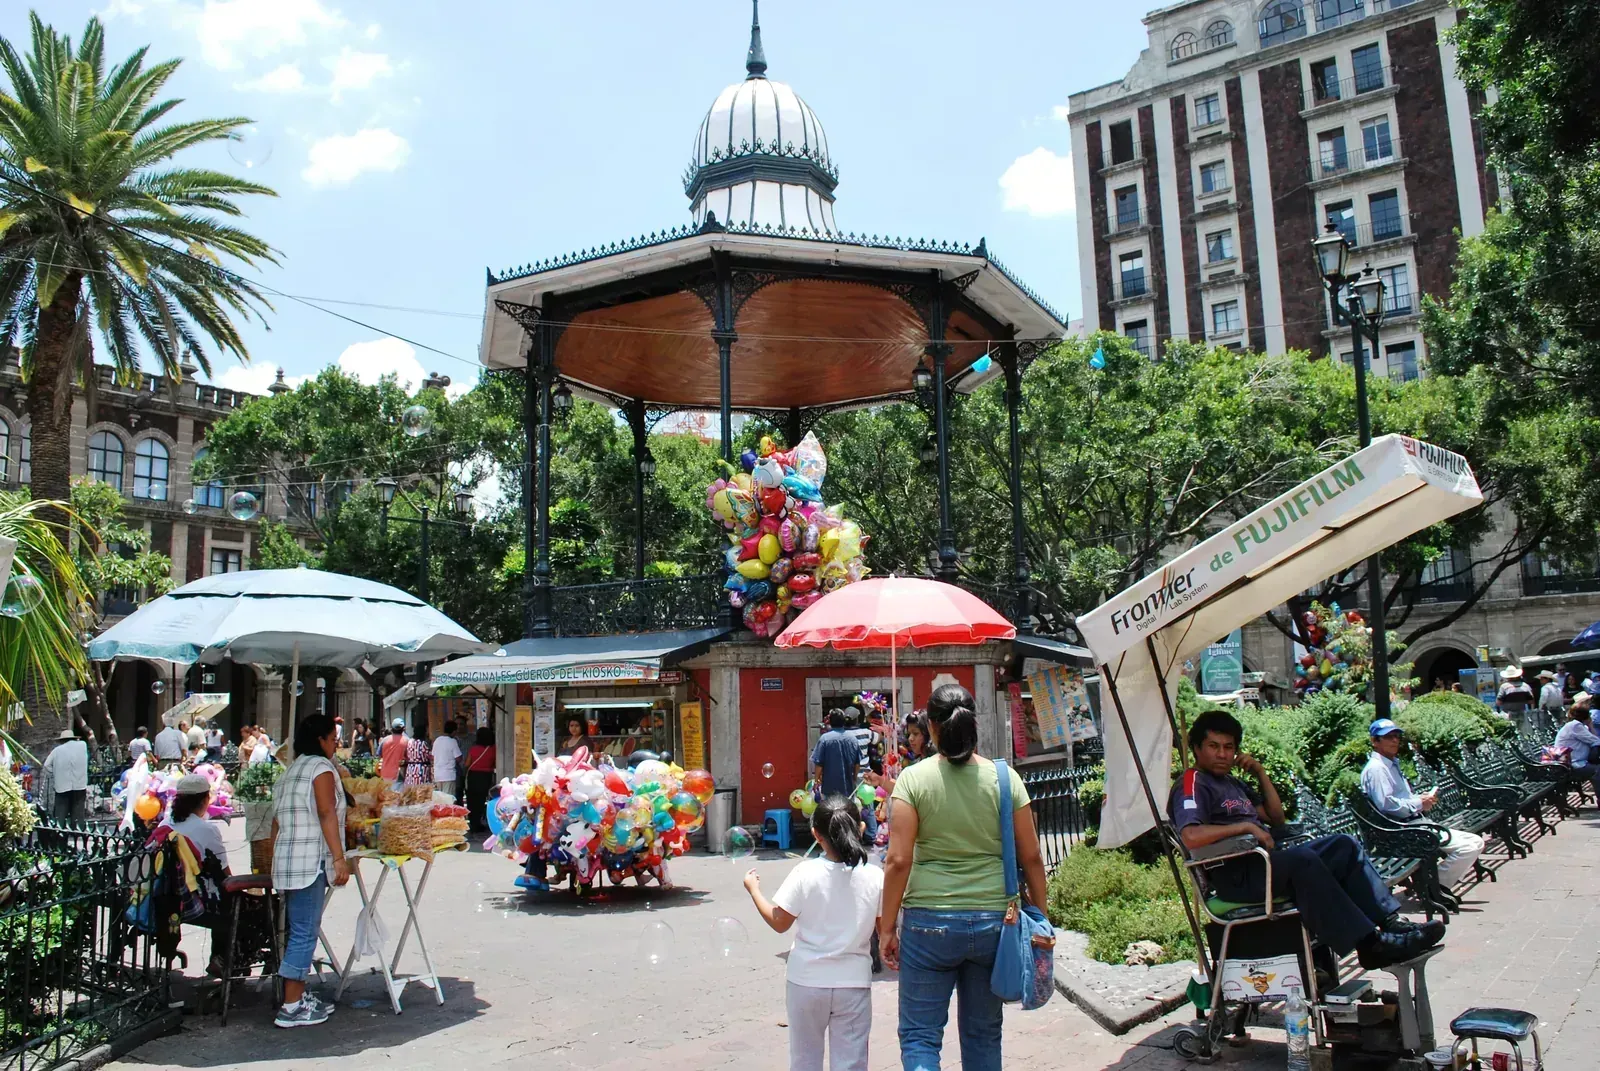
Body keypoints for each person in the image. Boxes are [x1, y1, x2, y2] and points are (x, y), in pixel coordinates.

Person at [1172, 710, 1443, 970]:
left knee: (1342, 846)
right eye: (1213, 746)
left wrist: (1260, 773)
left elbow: (1276, 818)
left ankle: (1390, 922)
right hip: (1236, 874)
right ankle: (1370, 944)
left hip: (1264, 865)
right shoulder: (1192, 782)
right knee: (1304, 860)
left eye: (1229, 747)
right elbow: (1191, 836)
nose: (1222, 754)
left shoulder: (1231, 783)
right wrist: (1245, 826)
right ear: (1196, 748)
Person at [879, 684, 1049, 1071]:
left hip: (928, 924)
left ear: (932, 728)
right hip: (995, 923)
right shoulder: (1005, 780)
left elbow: (898, 859)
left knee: (921, 1037)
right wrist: (1041, 915)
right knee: (983, 1036)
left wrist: (887, 928)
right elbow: (1033, 857)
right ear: (973, 723)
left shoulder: (913, 780)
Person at [744, 794, 882, 1071]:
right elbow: (884, 928)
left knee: (805, 1061)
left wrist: (754, 890)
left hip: (806, 981)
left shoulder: (805, 872)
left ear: (815, 833)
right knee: (851, 1063)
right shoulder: (875, 875)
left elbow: (780, 921)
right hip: (853, 983)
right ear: (860, 828)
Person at [270, 713, 350, 1028]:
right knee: (304, 931)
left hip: (287, 861)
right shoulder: (320, 769)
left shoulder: (290, 772)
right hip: (308, 861)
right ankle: (291, 1006)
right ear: (321, 740)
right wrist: (339, 857)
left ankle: (298, 997)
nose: (336, 745)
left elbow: (276, 822)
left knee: (299, 929)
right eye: (333, 739)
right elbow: (326, 811)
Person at [1359, 719, 1484, 888]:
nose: (1395, 740)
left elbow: (1396, 799)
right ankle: (1434, 886)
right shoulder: (1377, 769)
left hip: (1415, 824)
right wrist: (1418, 803)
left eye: (1396, 736)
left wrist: (1420, 798)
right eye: (1388, 737)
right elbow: (1387, 805)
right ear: (1375, 741)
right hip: (1405, 830)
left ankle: (1435, 883)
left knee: (1476, 841)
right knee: (1467, 848)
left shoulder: (1390, 764)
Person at [812, 709, 862, 802]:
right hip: (848, 788)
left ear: (830, 721)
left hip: (829, 788)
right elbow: (857, 763)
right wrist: (854, 778)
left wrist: (816, 780)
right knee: (847, 814)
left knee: (830, 814)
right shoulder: (852, 739)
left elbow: (819, 763)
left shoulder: (824, 739)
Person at [1553, 706, 1600, 801]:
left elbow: (1595, 740)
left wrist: (1590, 726)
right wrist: (1590, 725)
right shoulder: (1575, 726)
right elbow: (1596, 740)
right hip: (1572, 764)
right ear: (1586, 716)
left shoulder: (1578, 726)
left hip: (1576, 762)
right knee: (1598, 770)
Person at [44, 728, 90, 820]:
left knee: (61, 811)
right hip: (79, 785)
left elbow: (46, 765)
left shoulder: (57, 750)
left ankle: (60, 831)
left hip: (62, 786)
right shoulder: (82, 745)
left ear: (62, 740)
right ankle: (77, 832)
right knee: (78, 812)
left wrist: (55, 773)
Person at [466, 727, 497, 833]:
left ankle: (472, 824)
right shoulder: (493, 749)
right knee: (480, 800)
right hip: (485, 777)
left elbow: (467, 763)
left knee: (472, 801)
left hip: (473, 776)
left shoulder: (473, 749)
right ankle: (479, 823)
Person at [432, 721, 462, 797]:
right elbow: (459, 758)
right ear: (454, 731)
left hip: (437, 775)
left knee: (440, 800)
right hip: (448, 775)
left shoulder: (437, 740)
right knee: (448, 800)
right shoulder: (452, 741)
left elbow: (433, 756)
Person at [379, 719, 409, 789]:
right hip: (399, 775)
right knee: (397, 797)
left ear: (392, 728)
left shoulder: (384, 740)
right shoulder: (407, 740)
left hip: (385, 773)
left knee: (387, 797)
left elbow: (379, 755)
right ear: (403, 729)